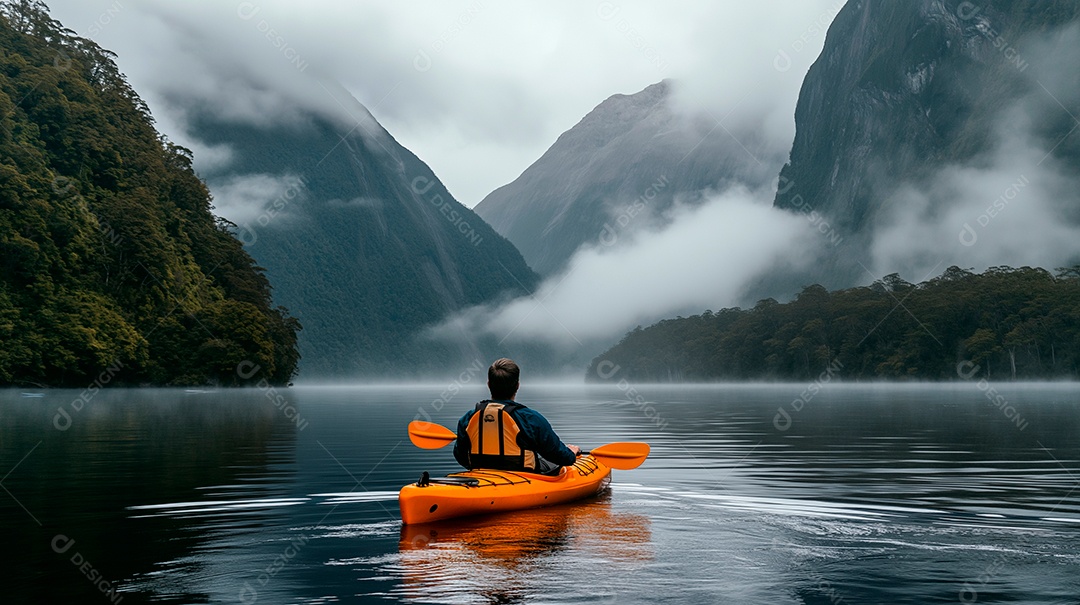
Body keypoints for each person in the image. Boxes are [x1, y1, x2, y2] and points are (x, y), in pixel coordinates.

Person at [454, 358, 580, 475]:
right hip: (525, 477)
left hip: (481, 475)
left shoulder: (468, 418)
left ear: (488, 384)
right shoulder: (530, 419)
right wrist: (571, 453)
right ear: (517, 385)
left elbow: (461, 456)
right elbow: (562, 457)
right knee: (554, 463)